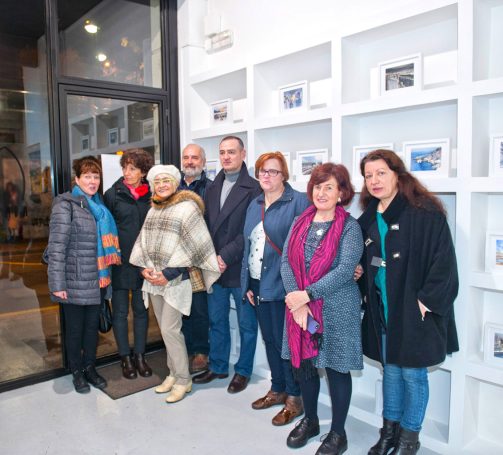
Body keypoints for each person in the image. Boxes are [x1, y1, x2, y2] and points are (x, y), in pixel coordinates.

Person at [357, 149, 458, 455]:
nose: (374, 180)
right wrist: (361, 275)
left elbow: (445, 264)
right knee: (390, 371)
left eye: (381, 173)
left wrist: (426, 302)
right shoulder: (367, 218)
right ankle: (389, 433)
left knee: (413, 374)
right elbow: (366, 260)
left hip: (415, 311)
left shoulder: (425, 214)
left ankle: (409, 440)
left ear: (397, 175)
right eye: (369, 176)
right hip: (383, 309)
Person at [281, 163, 364, 454]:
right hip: (299, 307)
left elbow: (345, 270)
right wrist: (297, 300)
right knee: (305, 366)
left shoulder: (350, 227)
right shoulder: (300, 221)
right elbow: (286, 262)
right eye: (318, 186)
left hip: (337, 308)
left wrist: (307, 295)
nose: (322, 192)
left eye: (329, 187)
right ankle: (311, 420)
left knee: (336, 368)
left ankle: (338, 433)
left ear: (342, 193)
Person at [129, 165, 220, 403]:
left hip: (176, 280)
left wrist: (168, 273)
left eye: (166, 180)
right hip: (154, 279)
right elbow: (142, 243)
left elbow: (195, 246)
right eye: (157, 182)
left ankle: (183, 379)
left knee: (171, 329)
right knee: (164, 329)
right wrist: (143, 269)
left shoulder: (187, 208)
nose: (161, 185)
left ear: (175, 182)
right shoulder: (153, 209)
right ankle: (172, 373)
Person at [241, 151, 310, 426]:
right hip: (258, 283)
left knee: (286, 344)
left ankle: (295, 397)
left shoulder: (299, 202)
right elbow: (248, 245)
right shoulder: (254, 203)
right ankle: (278, 387)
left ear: (284, 175)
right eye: (262, 171)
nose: (266, 176)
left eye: (273, 171)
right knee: (269, 339)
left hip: (285, 285)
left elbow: (306, 246)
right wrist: (247, 283)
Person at [46, 156, 121, 393]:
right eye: (87, 176)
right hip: (74, 281)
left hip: (97, 280)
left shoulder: (100, 207)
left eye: (96, 176)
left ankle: (90, 368)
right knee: (75, 330)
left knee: (91, 330)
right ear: (77, 179)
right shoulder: (65, 205)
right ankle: (76, 372)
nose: (92, 181)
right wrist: (57, 284)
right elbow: (56, 247)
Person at [193, 136, 261, 394]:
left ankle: (243, 371)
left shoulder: (254, 188)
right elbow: (206, 226)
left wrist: (224, 256)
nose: (226, 157)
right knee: (216, 320)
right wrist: (211, 258)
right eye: (222, 152)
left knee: (246, 325)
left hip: (240, 267)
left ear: (243, 154)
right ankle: (219, 366)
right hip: (215, 267)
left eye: (231, 152)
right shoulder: (212, 187)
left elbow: (251, 230)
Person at [104, 148, 154, 380]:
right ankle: (125, 357)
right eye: (125, 167)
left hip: (144, 264)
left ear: (143, 171)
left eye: (132, 168)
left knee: (141, 311)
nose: (127, 172)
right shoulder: (112, 194)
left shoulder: (152, 194)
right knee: (121, 312)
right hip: (120, 263)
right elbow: (106, 230)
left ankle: (140, 356)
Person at [179, 143, 213, 374]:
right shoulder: (173, 187)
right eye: (186, 157)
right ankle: (185, 349)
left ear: (203, 162)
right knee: (181, 306)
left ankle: (201, 352)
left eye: (195, 157)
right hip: (177, 258)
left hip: (200, 258)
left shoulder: (211, 188)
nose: (190, 161)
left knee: (199, 308)